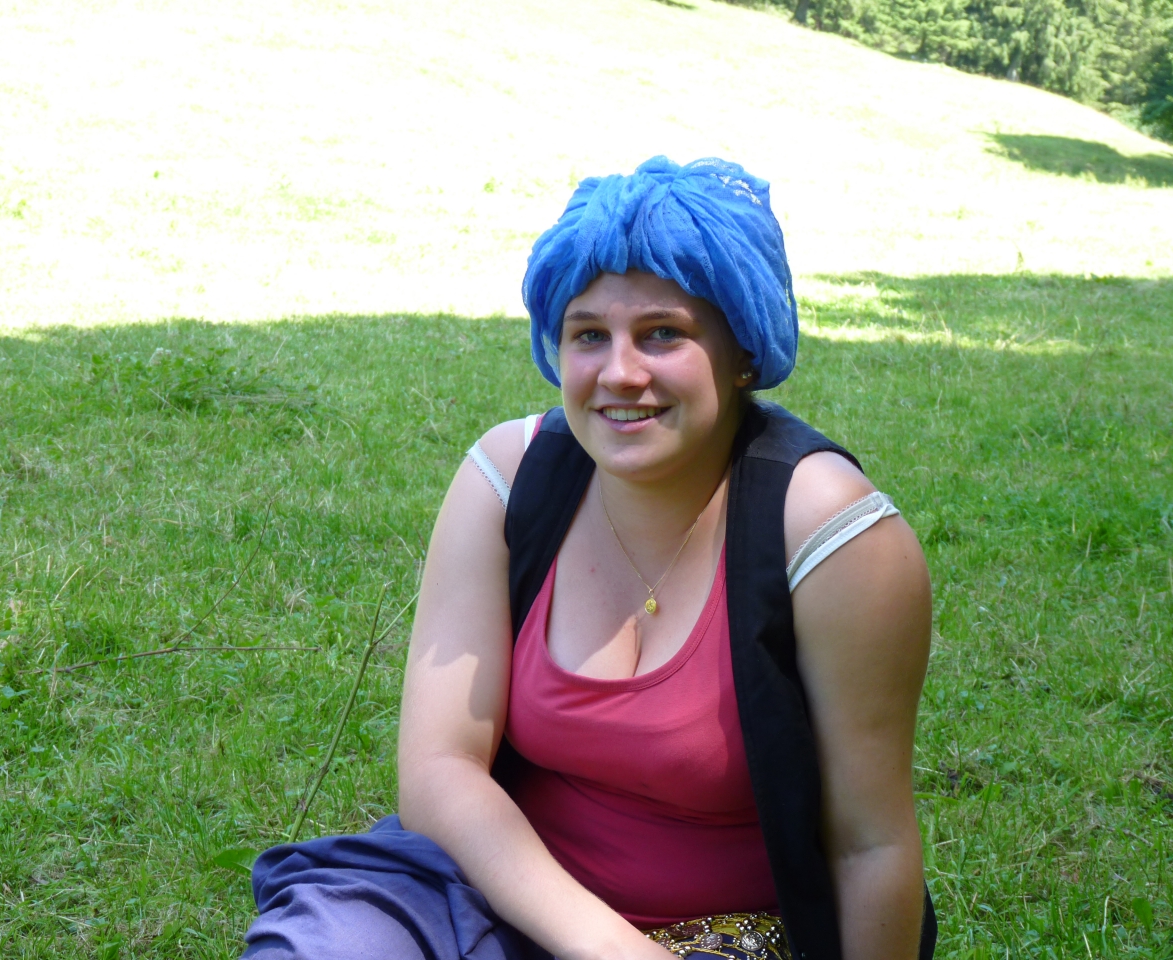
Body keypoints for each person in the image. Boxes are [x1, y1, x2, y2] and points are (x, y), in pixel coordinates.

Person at [242, 156, 935, 960]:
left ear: (742, 348)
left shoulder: (831, 535)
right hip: (500, 898)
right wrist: (605, 946)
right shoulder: (508, 479)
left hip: (730, 935)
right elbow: (441, 767)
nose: (620, 373)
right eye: (589, 335)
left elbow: (870, 845)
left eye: (664, 333)